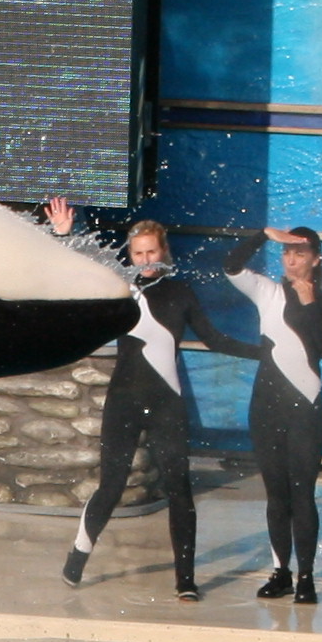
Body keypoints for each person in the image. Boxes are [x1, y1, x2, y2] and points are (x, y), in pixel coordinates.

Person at [46, 209, 255, 601]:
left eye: (151, 252)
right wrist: (64, 234)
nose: (145, 259)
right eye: (138, 253)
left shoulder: (181, 293)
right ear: (131, 255)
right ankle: (79, 554)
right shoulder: (121, 288)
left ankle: (185, 579)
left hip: (166, 404)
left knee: (179, 487)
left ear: (164, 252)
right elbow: (80, 270)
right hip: (123, 400)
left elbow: (214, 339)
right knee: (111, 485)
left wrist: (263, 353)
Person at [223, 225, 322, 603]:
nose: (291, 259)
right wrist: (263, 235)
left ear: (316, 259)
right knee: (276, 494)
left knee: (302, 493)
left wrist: (309, 305)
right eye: (287, 252)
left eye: (300, 253)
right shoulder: (268, 292)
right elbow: (231, 266)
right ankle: (281, 573)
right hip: (266, 406)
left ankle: (306, 577)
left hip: (305, 408)